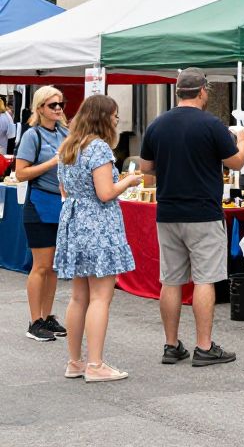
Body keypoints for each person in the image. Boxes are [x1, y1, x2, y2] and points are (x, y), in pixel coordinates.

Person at [139, 68, 244, 367]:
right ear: (202, 91)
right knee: (204, 279)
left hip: (168, 210)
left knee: (171, 280)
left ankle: (171, 345)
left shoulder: (157, 124)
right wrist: (243, 139)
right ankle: (204, 346)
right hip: (203, 211)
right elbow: (236, 162)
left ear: (178, 92)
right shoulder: (211, 124)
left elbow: (146, 167)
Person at [55, 95, 142, 382]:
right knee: (101, 297)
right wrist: (128, 181)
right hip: (98, 225)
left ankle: (75, 362)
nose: (117, 120)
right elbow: (105, 193)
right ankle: (95, 365)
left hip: (74, 222)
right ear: (102, 117)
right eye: (114, 115)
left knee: (79, 296)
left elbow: (64, 191)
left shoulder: (69, 146)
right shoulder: (99, 147)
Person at [15, 86, 69, 342]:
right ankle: (34, 320)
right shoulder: (32, 135)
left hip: (61, 205)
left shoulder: (64, 133)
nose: (58, 109)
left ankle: (47, 316)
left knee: (54, 267)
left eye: (60, 104)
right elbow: (21, 173)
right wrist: (51, 163)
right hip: (39, 204)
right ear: (39, 108)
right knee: (42, 266)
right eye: (52, 105)